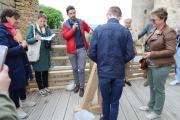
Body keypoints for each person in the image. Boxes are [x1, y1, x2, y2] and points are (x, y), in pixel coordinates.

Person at [88, 6, 135, 120]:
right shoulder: (126, 31)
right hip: (118, 72)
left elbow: (91, 52)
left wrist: (102, 61)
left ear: (108, 15)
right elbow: (131, 53)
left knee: (105, 99)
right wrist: (119, 61)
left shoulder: (99, 29)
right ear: (120, 17)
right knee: (114, 101)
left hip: (104, 71)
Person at [139, 8, 176, 119]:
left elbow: (171, 51)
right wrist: (147, 53)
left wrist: (152, 53)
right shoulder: (154, 28)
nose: (152, 22)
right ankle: (151, 105)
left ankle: (157, 112)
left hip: (162, 65)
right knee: (152, 86)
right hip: (151, 63)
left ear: (163, 19)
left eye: (154, 19)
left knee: (159, 89)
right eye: (151, 19)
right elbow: (150, 44)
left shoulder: (169, 31)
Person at [0, 9, 36, 119]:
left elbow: (19, 45)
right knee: (14, 86)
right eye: (15, 18)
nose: (18, 21)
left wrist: (23, 45)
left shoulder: (12, 30)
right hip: (11, 64)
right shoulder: (1, 31)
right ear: (7, 17)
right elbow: (5, 51)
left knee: (22, 82)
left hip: (19, 62)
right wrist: (21, 46)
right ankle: (16, 108)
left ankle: (24, 101)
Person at [61, 5, 93, 97]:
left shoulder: (81, 22)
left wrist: (90, 31)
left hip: (82, 49)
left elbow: (89, 28)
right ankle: (77, 85)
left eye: (74, 13)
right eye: (70, 13)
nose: (72, 15)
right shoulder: (65, 24)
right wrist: (73, 29)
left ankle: (82, 87)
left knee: (81, 69)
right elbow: (65, 36)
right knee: (75, 69)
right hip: (71, 50)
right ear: (67, 14)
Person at [26, 11, 52, 96]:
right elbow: (28, 40)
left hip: (45, 53)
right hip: (36, 53)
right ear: (37, 20)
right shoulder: (32, 27)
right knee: (38, 72)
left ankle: (46, 87)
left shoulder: (47, 28)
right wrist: (35, 38)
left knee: (45, 71)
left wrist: (50, 38)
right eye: (41, 21)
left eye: (44, 21)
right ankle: (40, 88)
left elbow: (49, 37)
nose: (43, 23)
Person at [124, 18, 138, 86]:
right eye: (126, 22)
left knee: (128, 66)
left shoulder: (133, 30)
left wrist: (128, 38)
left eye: (129, 23)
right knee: (121, 66)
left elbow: (136, 39)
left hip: (130, 50)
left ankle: (127, 79)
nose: (128, 24)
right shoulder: (121, 29)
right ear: (124, 22)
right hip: (122, 50)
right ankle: (121, 80)